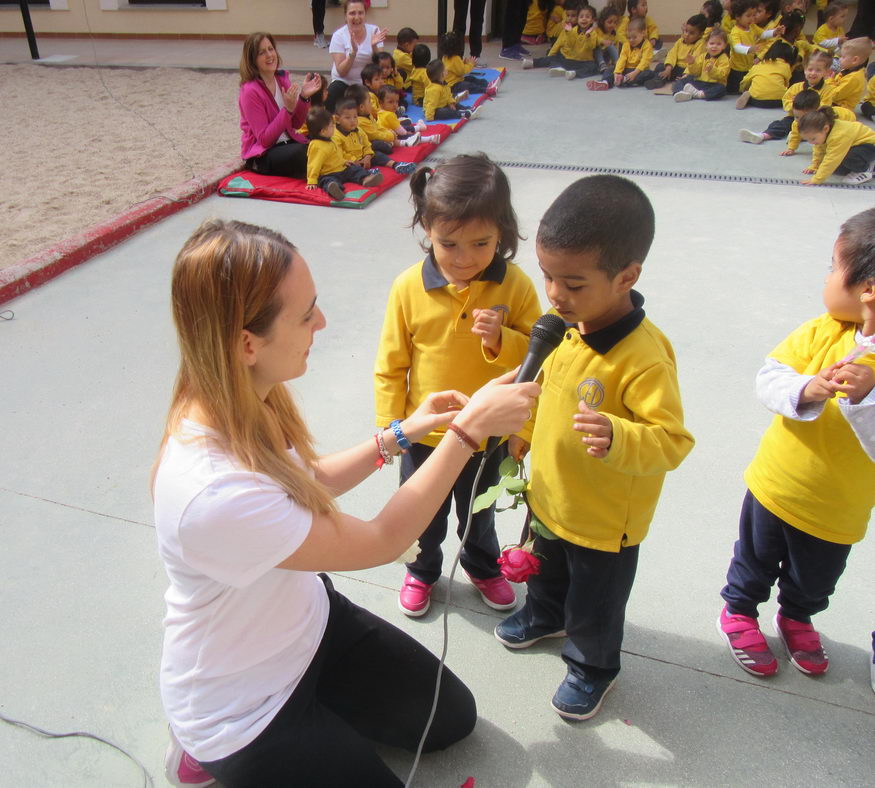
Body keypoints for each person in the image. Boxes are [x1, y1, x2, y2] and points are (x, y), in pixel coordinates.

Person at [154, 218, 539, 787]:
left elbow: (309, 480)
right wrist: (466, 433)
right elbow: (383, 540)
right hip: (243, 711)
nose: (322, 322)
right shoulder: (213, 492)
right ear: (246, 343)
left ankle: (320, 725)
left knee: (452, 719)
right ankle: (205, 755)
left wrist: (402, 433)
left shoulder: (245, 396)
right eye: (306, 313)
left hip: (308, 629)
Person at [494, 175, 694, 722]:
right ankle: (543, 615)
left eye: (574, 283)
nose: (555, 295)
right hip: (550, 497)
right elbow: (544, 392)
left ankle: (591, 666)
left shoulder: (644, 357)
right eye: (548, 277)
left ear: (627, 276)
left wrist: (620, 436)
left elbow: (673, 441)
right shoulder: (567, 329)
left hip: (606, 522)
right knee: (545, 571)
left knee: (596, 604)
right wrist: (523, 433)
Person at [374, 153, 542, 618]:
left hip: (486, 437)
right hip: (425, 434)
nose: (464, 258)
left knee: (478, 512)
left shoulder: (517, 287)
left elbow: (539, 363)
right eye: (449, 244)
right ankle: (422, 571)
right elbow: (391, 366)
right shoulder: (408, 287)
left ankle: (482, 565)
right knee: (422, 513)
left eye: (481, 243)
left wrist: (503, 341)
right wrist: (392, 431)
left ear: (503, 234)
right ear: (426, 229)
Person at [716, 208, 875, 678]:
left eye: (833, 267)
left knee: (815, 579)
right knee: (753, 561)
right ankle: (739, 612)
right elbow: (769, 379)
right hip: (777, 485)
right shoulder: (821, 332)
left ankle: (796, 615)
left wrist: (865, 397)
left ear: (867, 290)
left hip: (840, 508)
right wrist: (805, 388)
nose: (826, 278)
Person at [238, 33, 323, 179]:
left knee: (324, 138)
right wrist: (287, 110)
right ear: (252, 60)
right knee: (306, 151)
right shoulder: (250, 91)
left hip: (288, 142)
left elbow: (295, 123)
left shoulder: (282, 78)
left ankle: (342, 174)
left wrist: (303, 98)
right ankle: (332, 178)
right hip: (264, 154)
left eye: (271, 49)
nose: (269, 55)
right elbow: (265, 139)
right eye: (262, 52)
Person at [738, 50, 833, 144]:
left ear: (826, 72)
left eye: (818, 70)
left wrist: (810, 106)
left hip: (814, 121)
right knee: (781, 124)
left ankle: (800, 137)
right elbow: (785, 101)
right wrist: (794, 104)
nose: (813, 73)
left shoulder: (827, 90)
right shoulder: (797, 87)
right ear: (804, 69)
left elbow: (825, 108)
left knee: (825, 128)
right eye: (810, 69)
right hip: (795, 118)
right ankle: (763, 135)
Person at [305, 106, 383, 199]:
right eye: (331, 126)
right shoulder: (316, 146)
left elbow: (337, 154)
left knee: (354, 169)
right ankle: (335, 189)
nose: (334, 127)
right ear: (323, 131)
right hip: (328, 173)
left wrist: (344, 161)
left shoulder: (330, 139)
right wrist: (312, 180)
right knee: (327, 181)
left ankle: (366, 179)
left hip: (341, 169)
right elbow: (313, 164)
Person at [333, 92, 417, 174]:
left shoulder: (358, 130)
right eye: (347, 118)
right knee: (348, 168)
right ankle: (368, 174)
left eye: (355, 117)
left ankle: (395, 165)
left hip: (364, 156)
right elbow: (340, 153)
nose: (353, 121)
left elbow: (367, 144)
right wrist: (354, 160)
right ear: (337, 119)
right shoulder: (336, 136)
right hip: (351, 162)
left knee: (377, 155)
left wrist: (368, 156)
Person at [327, 0, 388, 112]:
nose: (357, 17)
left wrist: (374, 47)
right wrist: (353, 53)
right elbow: (341, 71)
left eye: (360, 13)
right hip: (343, 82)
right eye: (352, 13)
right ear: (345, 16)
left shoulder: (373, 31)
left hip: (367, 83)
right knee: (330, 99)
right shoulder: (339, 36)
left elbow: (380, 66)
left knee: (385, 99)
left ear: (365, 14)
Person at [523, 2, 602, 78]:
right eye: (581, 17)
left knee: (593, 67)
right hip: (568, 58)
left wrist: (588, 36)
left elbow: (592, 46)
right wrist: (549, 56)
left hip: (583, 61)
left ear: (592, 20)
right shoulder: (570, 29)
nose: (584, 19)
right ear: (578, 18)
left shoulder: (593, 33)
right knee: (553, 57)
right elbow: (561, 44)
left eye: (587, 17)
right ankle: (533, 62)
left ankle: (573, 73)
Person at [798, 107, 875, 184]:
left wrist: (817, 179)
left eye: (813, 139)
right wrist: (815, 165)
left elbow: (832, 159)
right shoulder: (822, 133)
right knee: (836, 169)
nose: (811, 142)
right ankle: (863, 163)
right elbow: (819, 150)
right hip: (853, 146)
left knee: (849, 158)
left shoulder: (838, 135)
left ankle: (866, 169)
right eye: (807, 140)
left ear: (825, 129)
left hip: (870, 144)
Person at [586, 17, 654, 89]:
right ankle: (605, 82)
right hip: (626, 69)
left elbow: (645, 62)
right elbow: (622, 59)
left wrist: (634, 73)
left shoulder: (647, 45)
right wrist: (617, 73)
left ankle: (624, 80)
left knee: (649, 74)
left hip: (639, 70)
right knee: (610, 70)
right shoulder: (626, 45)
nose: (631, 40)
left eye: (634, 37)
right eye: (629, 37)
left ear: (643, 33)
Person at [645, 14, 707, 89]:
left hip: (688, 70)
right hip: (675, 67)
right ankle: (657, 81)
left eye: (691, 33)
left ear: (700, 34)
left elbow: (695, 63)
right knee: (660, 67)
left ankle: (678, 83)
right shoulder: (680, 41)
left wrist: (686, 74)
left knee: (692, 78)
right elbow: (672, 54)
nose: (687, 35)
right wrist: (668, 69)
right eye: (686, 31)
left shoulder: (701, 44)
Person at [671, 25, 732, 101]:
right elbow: (696, 72)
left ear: (724, 46)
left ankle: (700, 94)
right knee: (681, 81)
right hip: (700, 81)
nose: (714, 46)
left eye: (718, 44)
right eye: (712, 43)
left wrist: (712, 70)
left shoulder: (724, 58)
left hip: (713, 84)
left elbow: (722, 74)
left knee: (721, 89)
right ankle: (680, 92)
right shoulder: (702, 56)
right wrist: (692, 63)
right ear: (706, 44)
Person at [736, 40, 796, 108]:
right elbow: (786, 83)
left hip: (757, 101)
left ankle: (747, 95)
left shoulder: (758, 65)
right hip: (779, 100)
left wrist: (742, 89)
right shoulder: (786, 66)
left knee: (750, 92)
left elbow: (746, 80)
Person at [824, 37, 873, 112]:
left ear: (855, 60)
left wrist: (829, 80)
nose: (840, 59)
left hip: (842, 108)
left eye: (843, 57)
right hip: (834, 102)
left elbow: (835, 96)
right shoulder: (847, 70)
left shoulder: (854, 78)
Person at [439, 30, 490, 94]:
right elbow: (462, 71)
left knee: (471, 79)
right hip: (454, 86)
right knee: (468, 86)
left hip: (457, 81)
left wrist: (463, 62)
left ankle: (487, 84)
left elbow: (454, 67)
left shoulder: (445, 57)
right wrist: (471, 64)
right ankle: (485, 90)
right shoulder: (455, 58)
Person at [726, 0, 761, 94]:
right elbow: (737, 47)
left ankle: (746, 94)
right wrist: (749, 49)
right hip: (736, 68)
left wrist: (774, 32)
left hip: (749, 66)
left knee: (747, 86)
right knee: (733, 91)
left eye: (754, 15)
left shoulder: (752, 27)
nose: (752, 19)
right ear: (737, 17)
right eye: (748, 16)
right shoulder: (735, 31)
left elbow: (763, 33)